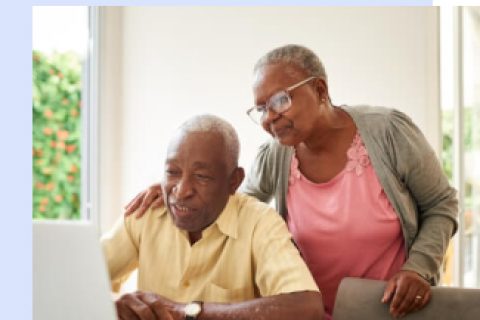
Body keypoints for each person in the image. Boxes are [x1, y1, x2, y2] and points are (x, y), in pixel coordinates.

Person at [124, 44, 458, 318]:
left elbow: (441, 205)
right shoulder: (276, 156)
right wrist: (179, 187)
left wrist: (418, 269)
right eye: (261, 108)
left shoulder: (388, 133)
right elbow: (233, 206)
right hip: (309, 313)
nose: (270, 117)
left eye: (280, 100)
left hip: (390, 310)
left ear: (320, 89)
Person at [102, 114, 324, 320]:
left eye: (201, 177)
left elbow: (307, 308)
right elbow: (76, 279)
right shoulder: (145, 214)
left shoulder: (259, 223)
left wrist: (189, 312)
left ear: (234, 181)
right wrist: (114, 304)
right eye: (172, 172)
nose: (181, 191)